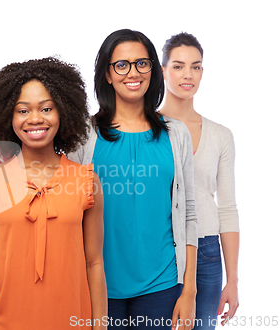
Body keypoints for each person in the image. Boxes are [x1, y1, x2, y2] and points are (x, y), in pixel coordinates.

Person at [69, 29, 198, 330]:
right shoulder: (83, 135)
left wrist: (189, 290)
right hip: (98, 286)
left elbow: (189, 212)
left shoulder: (176, 134)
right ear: (108, 74)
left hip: (162, 286)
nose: (133, 72)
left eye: (142, 63)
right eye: (122, 65)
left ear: (153, 70)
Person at [0, 57, 108, 330]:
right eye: (22, 110)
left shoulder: (87, 181)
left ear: (64, 113)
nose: (35, 119)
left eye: (47, 108)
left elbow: (94, 263)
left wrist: (100, 327)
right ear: (8, 116)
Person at [159, 32, 239, 329]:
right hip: (161, 245)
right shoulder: (148, 129)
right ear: (163, 70)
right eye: (178, 66)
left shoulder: (221, 135)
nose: (187, 74)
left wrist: (232, 280)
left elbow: (227, 208)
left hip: (206, 250)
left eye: (196, 66)